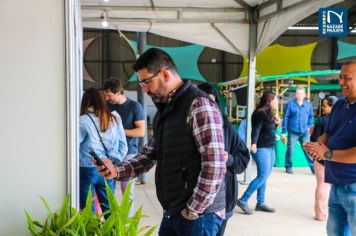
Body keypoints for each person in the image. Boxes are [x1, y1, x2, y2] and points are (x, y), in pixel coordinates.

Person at [96, 48, 226, 236]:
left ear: (164, 74)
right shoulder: (165, 111)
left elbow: (214, 163)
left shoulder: (198, 105)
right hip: (174, 210)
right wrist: (117, 170)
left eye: (147, 82)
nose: (145, 89)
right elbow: (149, 155)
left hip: (198, 215)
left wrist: (193, 208)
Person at [303, 62, 356, 236]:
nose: (341, 82)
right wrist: (316, 145)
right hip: (335, 184)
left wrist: (326, 153)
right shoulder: (340, 105)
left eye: (347, 78)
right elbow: (328, 133)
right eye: (340, 77)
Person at [198, 83, 250, 236]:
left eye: (212, 104)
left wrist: (229, 159)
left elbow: (243, 159)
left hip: (223, 197)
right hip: (194, 200)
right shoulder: (187, 127)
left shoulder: (226, 127)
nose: (208, 110)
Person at [79, 88, 127, 215]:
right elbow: (123, 147)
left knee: (88, 214)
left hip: (86, 170)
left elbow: (73, 147)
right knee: (110, 213)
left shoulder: (82, 121)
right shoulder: (114, 118)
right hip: (108, 169)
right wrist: (113, 163)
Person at [103, 78, 145, 214]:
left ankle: (127, 224)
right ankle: (112, 220)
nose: (106, 98)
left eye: (109, 95)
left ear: (119, 92)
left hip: (129, 153)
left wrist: (119, 131)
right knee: (108, 190)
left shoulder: (135, 107)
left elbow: (141, 131)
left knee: (127, 191)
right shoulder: (107, 106)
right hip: (110, 154)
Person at [237, 91, 280, 215]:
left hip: (270, 148)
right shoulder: (260, 113)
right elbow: (256, 129)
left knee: (264, 176)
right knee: (262, 176)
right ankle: (243, 200)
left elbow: (269, 130)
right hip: (261, 148)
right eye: (275, 99)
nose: (277, 102)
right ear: (269, 101)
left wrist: (276, 124)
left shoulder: (269, 113)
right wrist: (254, 143)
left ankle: (260, 203)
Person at [310, 96, 338, 221]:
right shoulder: (345, 120)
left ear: (333, 106)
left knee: (322, 185)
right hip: (338, 158)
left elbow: (314, 139)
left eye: (325, 105)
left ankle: (320, 214)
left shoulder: (322, 120)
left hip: (321, 158)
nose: (323, 107)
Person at [281, 86, 314, 174]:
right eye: (298, 93)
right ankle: (288, 167)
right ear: (295, 94)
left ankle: (314, 168)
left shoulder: (308, 105)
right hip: (293, 131)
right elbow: (286, 118)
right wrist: (284, 132)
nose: (299, 95)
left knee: (308, 150)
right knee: (290, 149)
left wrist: (308, 126)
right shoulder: (290, 104)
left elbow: (311, 117)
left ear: (304, 95)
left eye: (301, 93)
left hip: (304, 132)